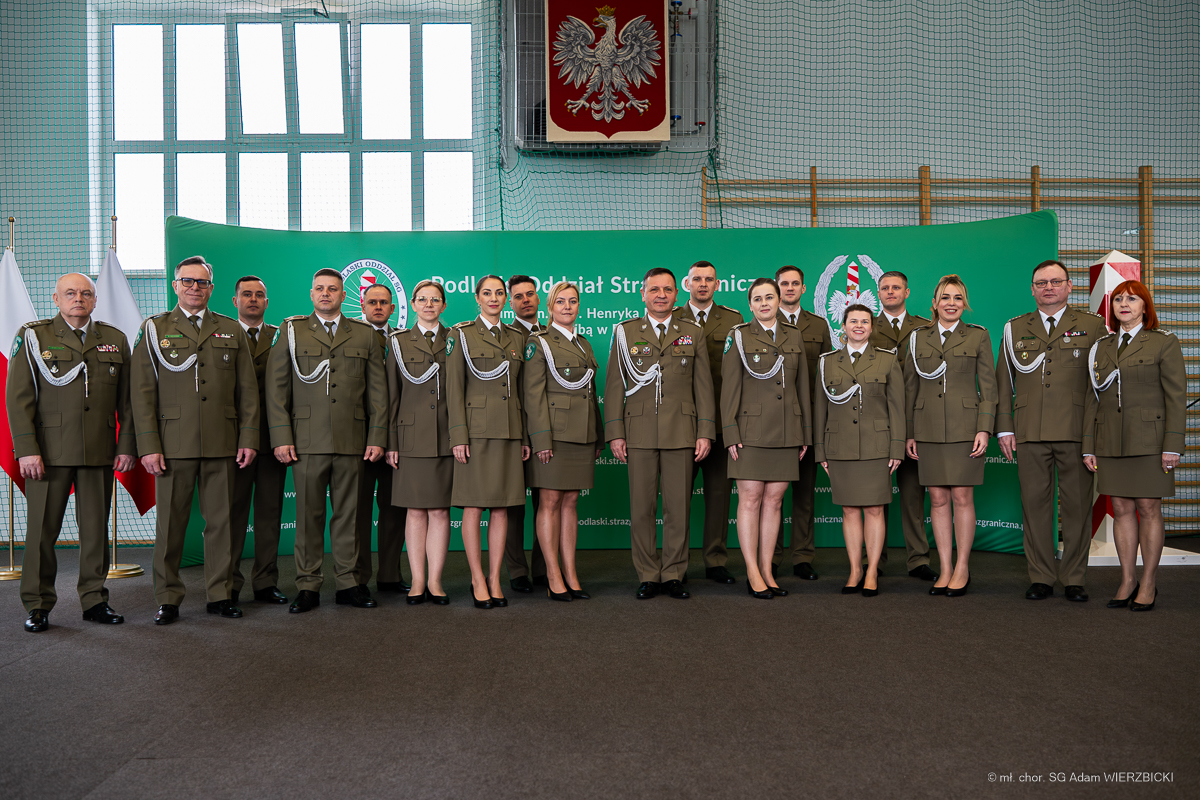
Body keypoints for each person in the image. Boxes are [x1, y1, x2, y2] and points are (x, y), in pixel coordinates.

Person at [131, 256, 260, 624]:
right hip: (173, 444)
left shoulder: (230, 329)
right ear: (176, 285)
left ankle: (220, 595)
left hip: (223, 442)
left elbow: (247, 392)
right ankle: (168, 598)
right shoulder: (154, 328)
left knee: (222, 524)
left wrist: (249, 437)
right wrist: (149, 445)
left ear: (211, 288)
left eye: (202, 282)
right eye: (187, 281)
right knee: (170, 526)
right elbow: (141, 393)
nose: (194, 287)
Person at [7, 273, 136, 632]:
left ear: (94, 300)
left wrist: (126, 446)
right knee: (41, 533)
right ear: (56, 298)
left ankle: (94, 601)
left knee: (95, 532)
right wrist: (26, 449)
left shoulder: (114, 339)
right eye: (70, 293)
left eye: (85, 293)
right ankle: (37, 605)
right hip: (48, 454)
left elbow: (128, 402)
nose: (78, 298)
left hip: (99, 451)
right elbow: (18, 398)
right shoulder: (34, 336)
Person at [266, 268, 388, 613]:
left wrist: (377, 436)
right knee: (308, 517)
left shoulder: (364, 334)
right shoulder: (291, 331)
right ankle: (308, 585)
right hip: (306, 440)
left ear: (343, 295)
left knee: (349, 517)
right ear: (311, 294)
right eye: (319, 288)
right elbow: (276, 389)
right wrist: (281, 437)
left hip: (352, 439)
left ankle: (349, 584)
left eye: (332, 289)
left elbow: (378, 393)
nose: (325, 294)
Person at [996, 260, 1109, 602]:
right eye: (1041, 283)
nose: (1049, 287)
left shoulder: (1093, 326)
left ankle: (1074, 578)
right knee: (1035, 508)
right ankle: (1041, 576)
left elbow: (1100, 385)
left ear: (1069, 286)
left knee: (1077, 508)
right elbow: (1004, 383)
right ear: (1032, 289)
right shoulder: (1014, 328)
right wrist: (1004, 429)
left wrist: (1093, 436)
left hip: (1076, 430)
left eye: (1056, 281)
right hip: (1029, 430)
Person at [605, 268, 715, 600]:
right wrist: (615, 432)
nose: (661, 295)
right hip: (638, 431)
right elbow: (614, 386)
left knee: (678, 509)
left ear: (677, 294)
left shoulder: (692, 332)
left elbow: (704, 387)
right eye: (654, 289)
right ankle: (648, 574)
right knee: (641, 508)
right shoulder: (625, 332)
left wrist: (705, 431)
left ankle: (673, 574)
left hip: (681, 431)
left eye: (667, 289)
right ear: (643, 294)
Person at [1083, 280, 1185, 612]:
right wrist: (1089, 446)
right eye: (1118, 299)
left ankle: (1149, 582)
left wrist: (1173, 444)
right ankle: (1127, 580)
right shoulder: (1101, 346)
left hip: (1150, 441)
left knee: (1148, 508)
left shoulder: (1163, 342)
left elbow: (1176, 397)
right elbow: (1093, 398)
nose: (1124, 304)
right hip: (1110, 439)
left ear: (1145, 306)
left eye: (1132, 299)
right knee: (1121, 508)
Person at [903, 275, 997, 597]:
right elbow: (910, 388)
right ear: (934, 303)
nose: (951, 303)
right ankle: (944, 568)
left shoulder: (978, 336)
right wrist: (910, 432)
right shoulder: (917, 338)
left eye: (957, 298)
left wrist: (984, 427)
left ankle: (962, 568)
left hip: (965, 428)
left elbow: (989, 387)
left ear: (964, 303)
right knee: (938, 499)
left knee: (961, 497)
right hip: (927, 427)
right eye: (945, 297)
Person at [720, 278, 810, 599]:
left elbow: (802, 387)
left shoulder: (793, 335)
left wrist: (805, 432)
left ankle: (767, 570)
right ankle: (752, 571)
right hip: (750, 432)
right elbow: (729, 388)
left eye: (769, 297)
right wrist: (729, 431)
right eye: (757, 299)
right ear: (750, 304)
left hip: (786, 430)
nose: (764, 303)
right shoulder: (738, 336)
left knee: (774, 501)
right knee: (750, 499)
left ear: (779, 300)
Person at [447, 275, 530, 609]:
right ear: (477, 298)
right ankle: (477, 578)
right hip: (476, 432)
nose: (493, 298)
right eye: (487, 293)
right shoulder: (461, 334)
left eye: (499, 293)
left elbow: (521, 392)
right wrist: (458, 435)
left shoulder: (517, 337)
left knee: (501, 507)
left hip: (509, 431)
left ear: (506, 299)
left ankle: (495, 578)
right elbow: (454, 389)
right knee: (473, 506)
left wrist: (524, 436)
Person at [816, 305, 905, 596]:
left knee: (875, 509)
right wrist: (820, 451)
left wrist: (897, 447)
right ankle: (855, 570)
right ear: (843, 326)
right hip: (840, 447)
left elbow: (897, 408)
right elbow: (820, 410)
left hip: (877, 447)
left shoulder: (887, 360)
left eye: (864, 321)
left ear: (871, 326)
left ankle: (872, 571)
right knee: (850, 509)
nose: (858, 326)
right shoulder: (827, 362)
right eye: (853, 321)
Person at [523, 282, 604, 601]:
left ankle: (571, 573)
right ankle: (553, 575)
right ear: (550, 307)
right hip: (554, 436)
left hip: (582, 434)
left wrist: (598, 435)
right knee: (550, 502)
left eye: (572, 301)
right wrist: (541, 439)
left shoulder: (583, 344)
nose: (567, 306)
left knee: (571, 502)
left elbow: (589, 394)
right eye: (560, 301)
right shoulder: (539, 342)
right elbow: (533, 396)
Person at [672, 260, 743, 585]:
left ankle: (715, 561)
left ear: (718, 285)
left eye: (709, 279)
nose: (703, 284)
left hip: (720, 424)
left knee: (719, 497)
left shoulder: (732, 320)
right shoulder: (673, 318)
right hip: (680, 424)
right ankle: (676, 564)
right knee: (677, 499)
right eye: (697, 279)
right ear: (687, 284)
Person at [385, 280, 454, 605]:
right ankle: (417, 581)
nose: (429, 304)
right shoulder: (398, 342)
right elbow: (390, 396)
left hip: (445, 437)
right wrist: (391, 442)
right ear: (412, 304)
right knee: (414, 511)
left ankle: (436, 581)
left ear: (443, 305)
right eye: (423, 299)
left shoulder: (455, 339)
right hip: (409, 438)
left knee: (439, 511)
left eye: (435, 299)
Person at [867, 270, 935, 581]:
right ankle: (873, 561)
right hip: (876, 422)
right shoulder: (867, 326)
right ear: (878, 293)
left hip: (916, 421)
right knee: (874, 498)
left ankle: (918, 560)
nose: (890, 292)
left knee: (912, 496)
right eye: (885, 288)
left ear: (907, 292)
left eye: (896, 287)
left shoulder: (925, 327)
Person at [227, 275, 289, 606]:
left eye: (259, 295)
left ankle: (265, 582)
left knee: (269, 515)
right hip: (230, 442)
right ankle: (228, 584)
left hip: (271, 441)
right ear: (235, 301)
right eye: (247, 294)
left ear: (267, 302)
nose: (253, 299)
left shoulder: (282, 336)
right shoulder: (222, 334)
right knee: (231, 516)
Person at [773, 265, 832, 581]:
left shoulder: (818, 325)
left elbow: (826, 377)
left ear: (804, 288)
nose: (790, 288)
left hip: (808, 420)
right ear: (776, 287)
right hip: (774, 422)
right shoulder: (764, 323)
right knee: (771, 496)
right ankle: (770, 557)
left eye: (795, 283)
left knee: (805, 495)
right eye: (784, 283)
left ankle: (802, 557)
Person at [354, 282, 409, 597]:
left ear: (392, 307)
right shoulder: (352, 335)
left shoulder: (403, 339)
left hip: (398, 438)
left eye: (383, 302)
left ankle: (389, 575)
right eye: (372, 302)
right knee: (358, 512)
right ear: (362, 306)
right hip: (360, 438)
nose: (378, 307)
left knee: (394, 510)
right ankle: (359, 578)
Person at [503, 274, 547, 593]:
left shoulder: (552, 333)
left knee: (547, 504)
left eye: (530, 294)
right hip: (514, 432)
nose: (526, 300)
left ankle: (544, 569)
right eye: (518, 296)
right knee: (513, 507)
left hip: (546, 432)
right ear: (510, 302)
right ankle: (517, 571)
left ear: (538, 297)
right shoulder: (505, 336)